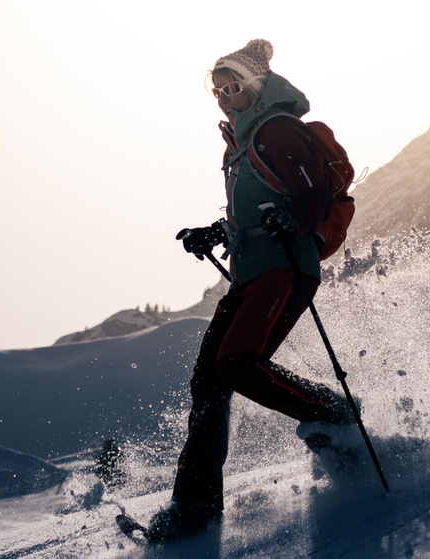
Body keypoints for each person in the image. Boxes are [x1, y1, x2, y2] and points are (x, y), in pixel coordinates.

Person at [149, 39, 357, 542]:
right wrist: (217, 232)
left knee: (237, 364)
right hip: (252, 272)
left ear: (258, 86)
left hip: (286, 268)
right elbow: (258, 206)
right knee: (209, 381)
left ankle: (333, 412)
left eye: (233, 85)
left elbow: (310, 197)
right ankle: (194, 506)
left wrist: (295, 218)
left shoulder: (278, 131)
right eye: (216, 88)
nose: (223, 95)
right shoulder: (238, 144)